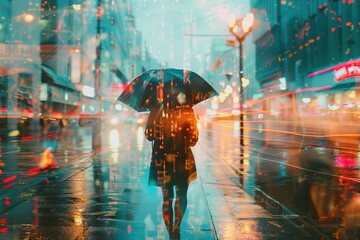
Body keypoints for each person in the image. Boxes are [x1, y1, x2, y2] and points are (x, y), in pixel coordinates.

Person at [145, 92, 199, 240]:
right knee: (182, 195)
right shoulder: (187, 109)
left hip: (162, 158)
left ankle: (170, 231)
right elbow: (194, 139)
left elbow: (148, 135)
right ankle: (177, 225)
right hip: (182, 159)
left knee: (167, 197)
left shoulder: (156, 108)